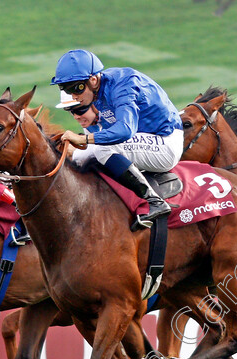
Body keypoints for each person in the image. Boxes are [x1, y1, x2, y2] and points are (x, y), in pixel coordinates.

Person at [51, 49, 183, 228]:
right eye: (66, 89)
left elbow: (125, 130)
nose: (74, 96)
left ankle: (155, 201)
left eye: (76, 88)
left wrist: (84, 140)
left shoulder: (123, 84)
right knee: (80, 157)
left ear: (93, 79)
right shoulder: (96, 93)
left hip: (165, 141)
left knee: (102, 149)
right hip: (144, 141)